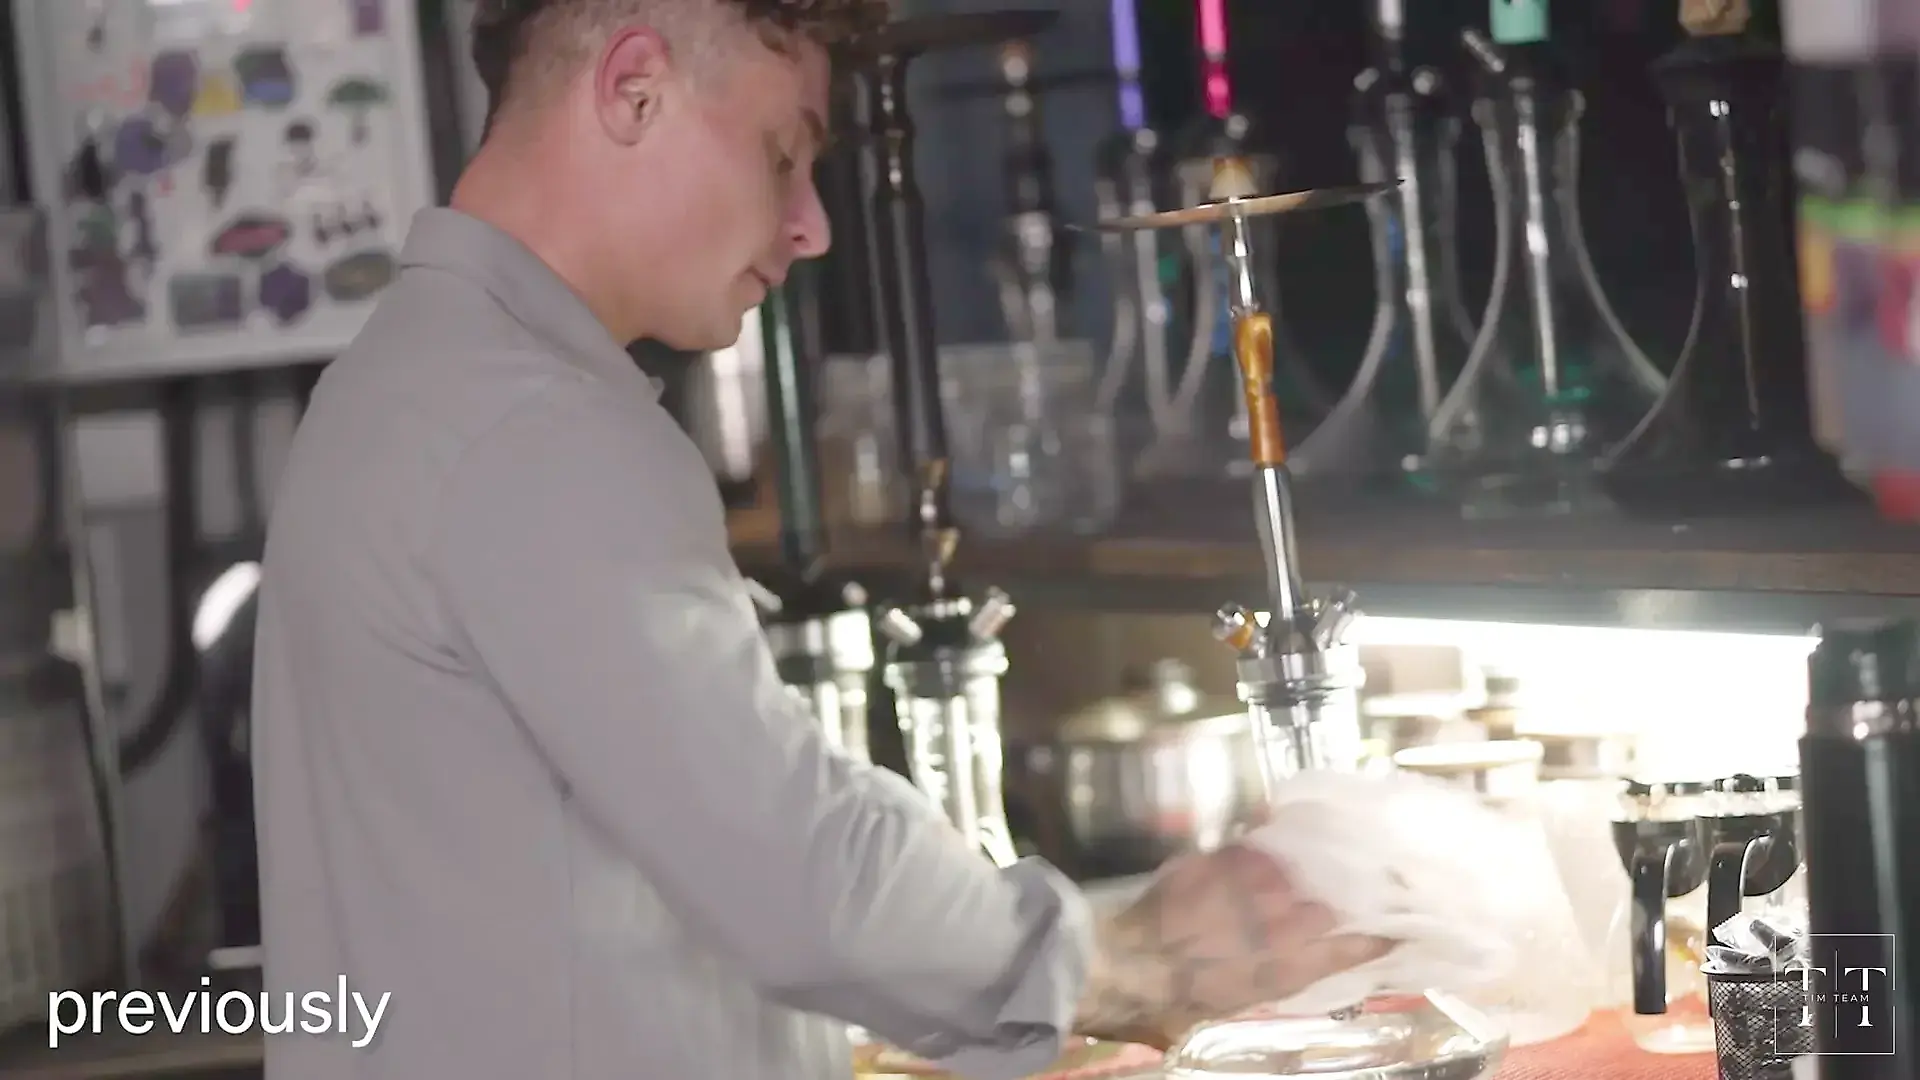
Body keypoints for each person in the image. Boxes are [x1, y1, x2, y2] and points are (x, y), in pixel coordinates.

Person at [251, 1, 1388, 1078]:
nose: (812, 225)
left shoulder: (406, 384)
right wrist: (1123, 962)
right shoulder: (530, 425)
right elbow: (796, 865)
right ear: (634, 90)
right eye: (782, 155)